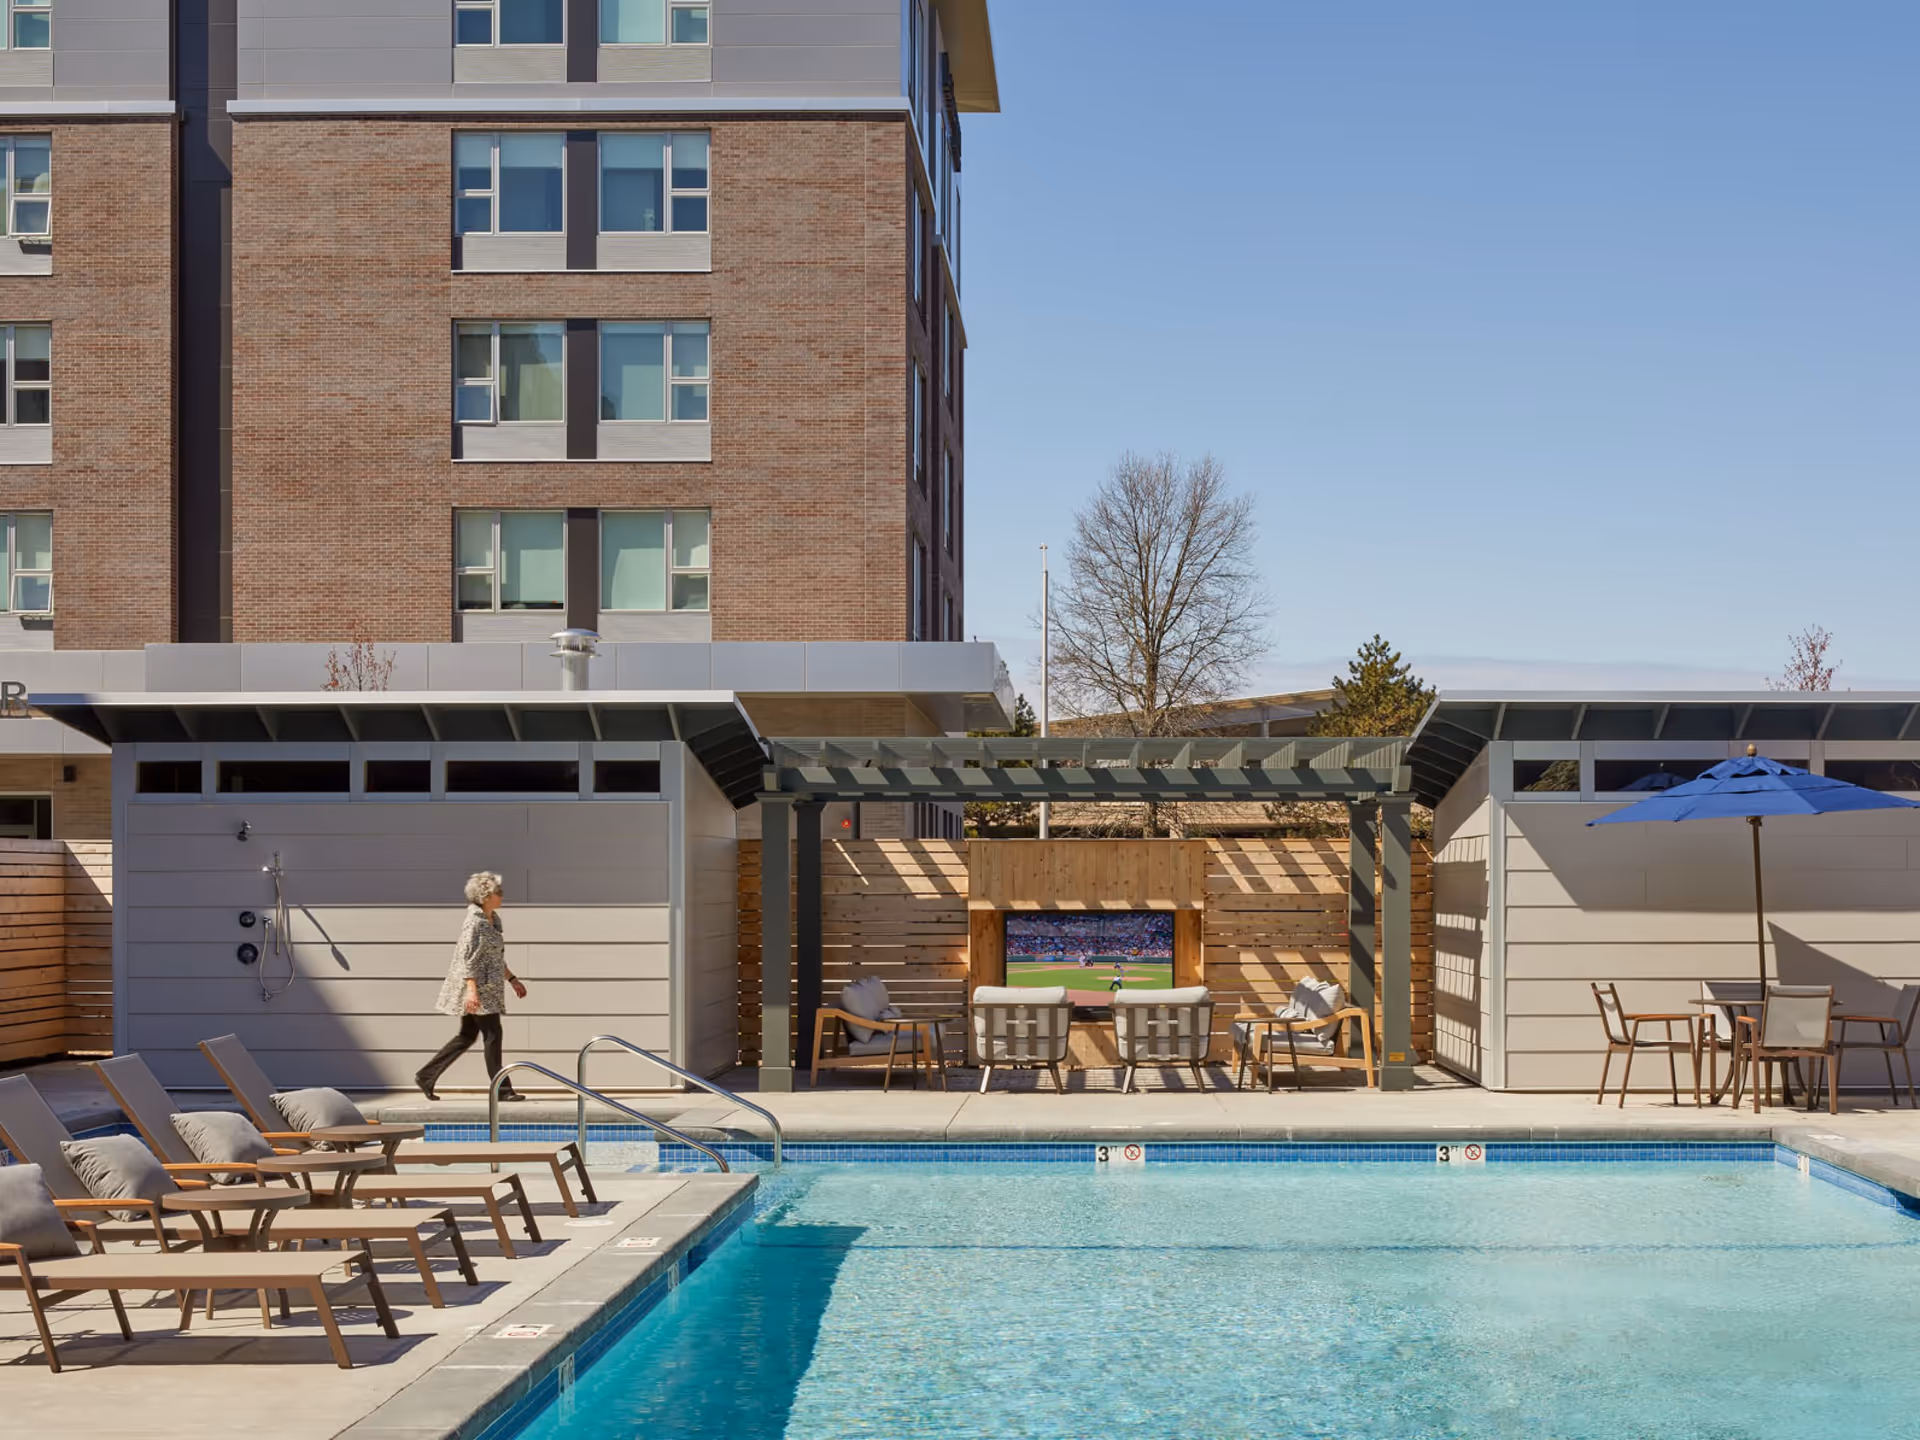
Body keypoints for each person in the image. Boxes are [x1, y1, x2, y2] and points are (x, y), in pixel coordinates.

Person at [415, 871, 528, 1102]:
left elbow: (494, 957)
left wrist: (512, 978)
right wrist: (471, 990)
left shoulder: (493, 920)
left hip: (487, 987)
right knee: (493, 1033)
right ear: (486, 896)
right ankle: (502, 1090)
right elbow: (467, 958)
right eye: (499, 893)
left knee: (467, 1035)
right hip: (479, 989)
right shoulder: (473, 923)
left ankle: (426, 1075)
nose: (502, 896)